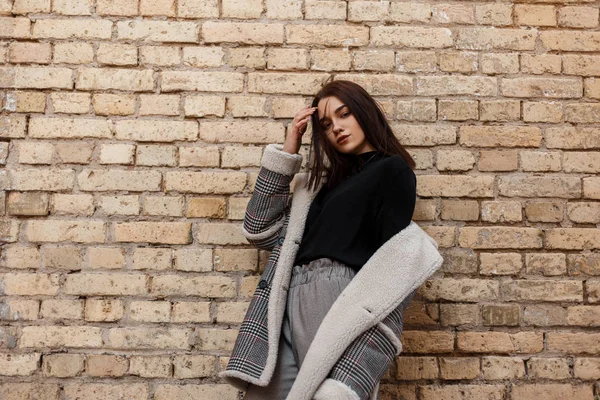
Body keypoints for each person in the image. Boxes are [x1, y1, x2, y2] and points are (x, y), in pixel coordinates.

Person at [219, 80, 443, 400]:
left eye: (344, 114)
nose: (336, 127)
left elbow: (392, 271)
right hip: (285, 296)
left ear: (364, 113)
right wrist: (289, 149)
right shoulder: (316, 187)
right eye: (326, 124)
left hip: (334, 293)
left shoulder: (391, 171)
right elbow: (257, 229)